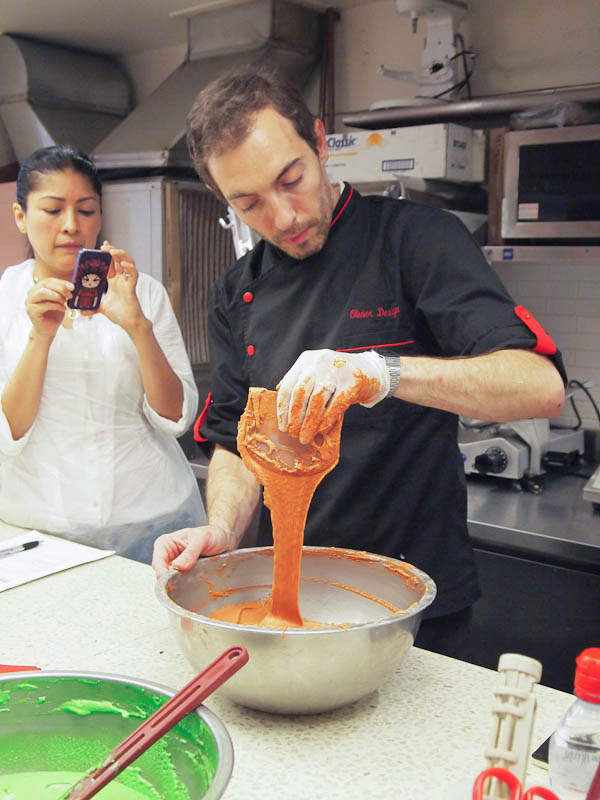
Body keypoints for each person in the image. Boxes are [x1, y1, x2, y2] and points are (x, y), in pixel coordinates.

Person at [151, 67, 566, 659]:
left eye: (290, 179)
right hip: (285, 600)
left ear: (320, 143)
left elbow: (539, 385)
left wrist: (382, 372)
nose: (283, 217)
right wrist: (223, 528)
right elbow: (234, 439)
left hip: (415, 608)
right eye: (249, 203)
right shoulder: (236, 292)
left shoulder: (417, 241)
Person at [0, 145, 206, 563]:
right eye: (52, 210)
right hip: (43, 528)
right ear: (21, 217)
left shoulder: (142, 291)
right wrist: (40, 338)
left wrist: (137, 326)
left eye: (86, 210)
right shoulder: (6, 298)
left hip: (153, 518)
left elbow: (175, 418)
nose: (71, 226)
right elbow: (9, 431)